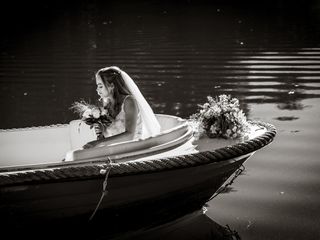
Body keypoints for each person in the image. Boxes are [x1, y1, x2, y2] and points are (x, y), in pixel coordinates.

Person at [83, 66, 161, 148]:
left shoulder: (129, 101)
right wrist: (100, 132)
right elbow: (106, 136)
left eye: (100, 86)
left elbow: (130, 135)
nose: (97, 90)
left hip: (133, 148)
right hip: (113, 149)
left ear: (112, 86)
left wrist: (97, 143)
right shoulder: (106, 104)